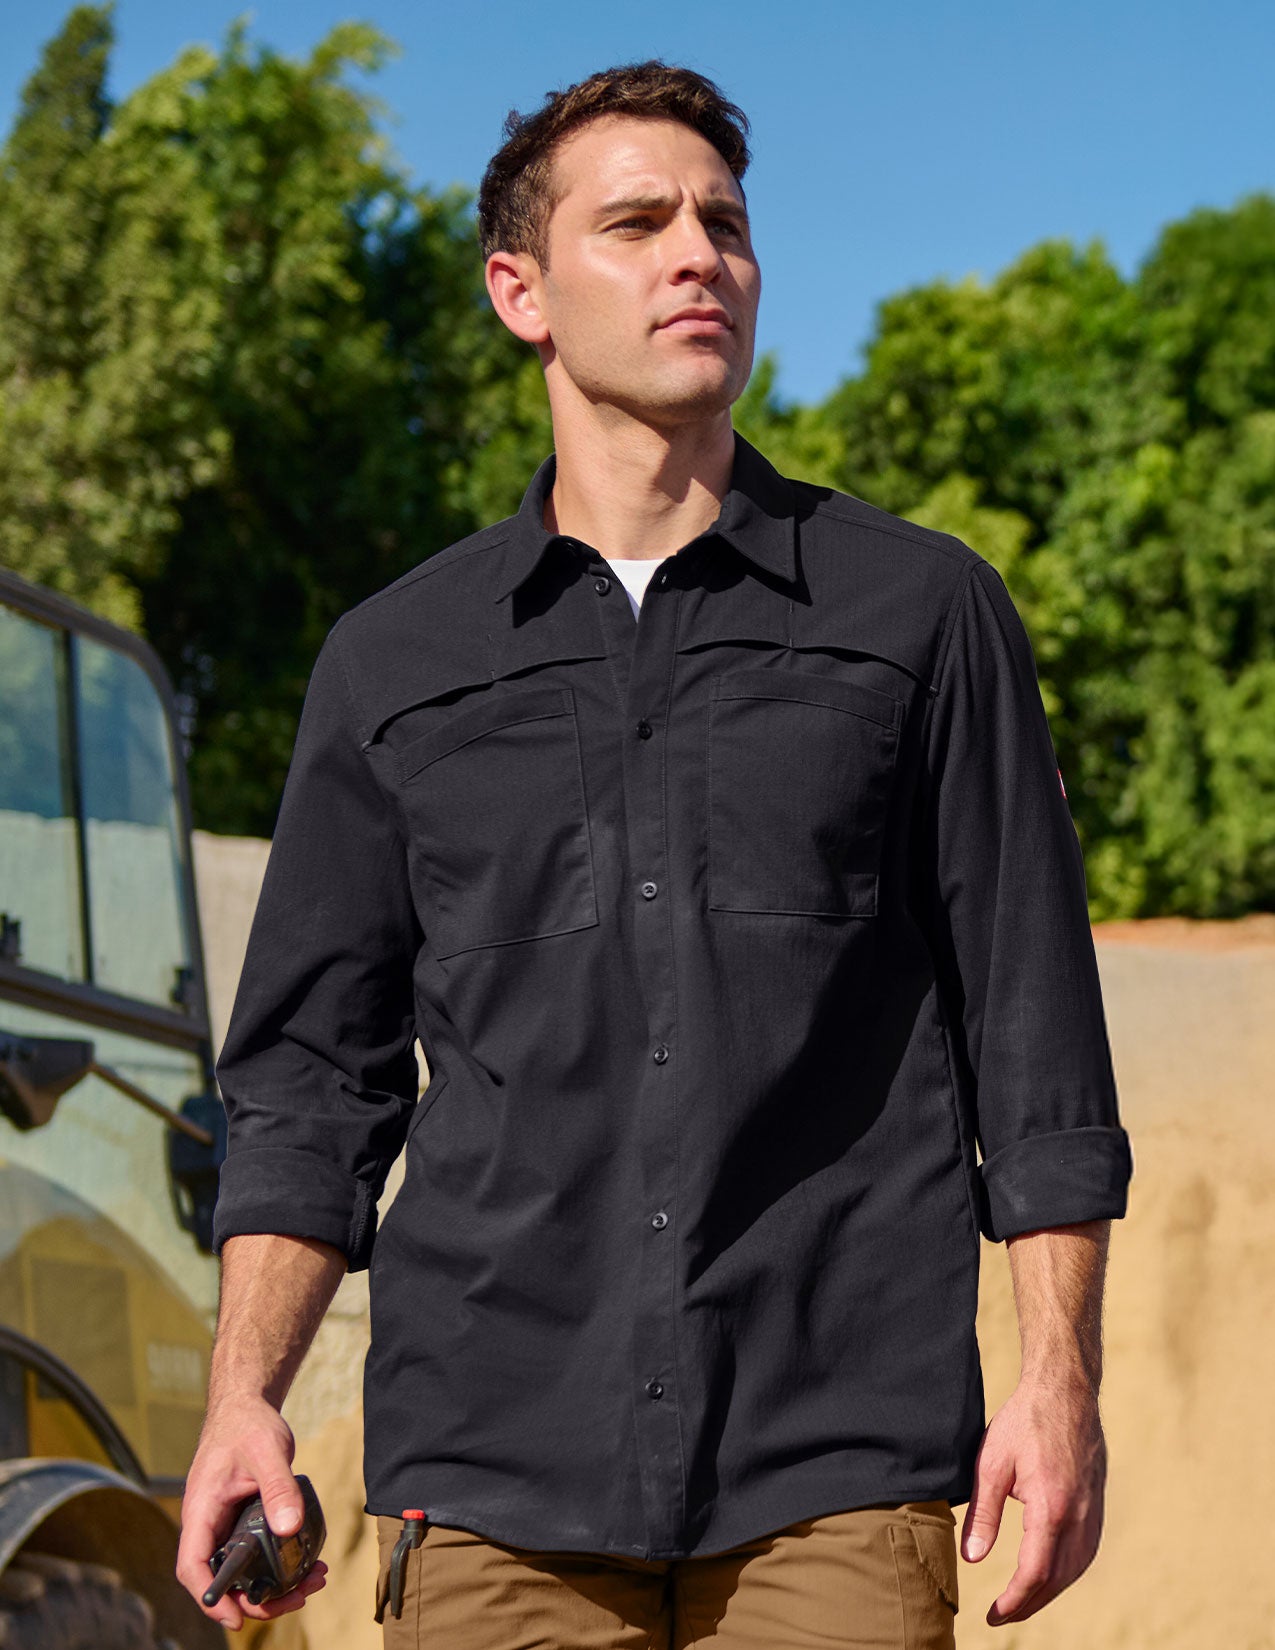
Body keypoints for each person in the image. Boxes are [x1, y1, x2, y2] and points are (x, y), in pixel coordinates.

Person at [176, 59, 1134, 1649]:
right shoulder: (392, 661)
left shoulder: (923, 614)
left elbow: (1034, 1046)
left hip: (838, 1453)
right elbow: (309, 1088)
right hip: (489, 1472)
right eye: (638, 222)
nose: (702, 253)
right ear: (521, 292)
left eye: (727, 223)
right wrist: (241, 1396)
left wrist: (1059, 1375)